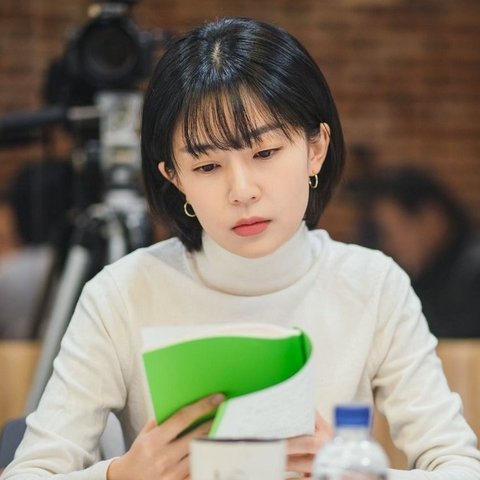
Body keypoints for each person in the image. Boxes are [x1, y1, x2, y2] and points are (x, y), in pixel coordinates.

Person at [2, 17, 479, 480]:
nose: (242, 191)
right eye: (207, 167)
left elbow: (460, 467)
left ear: (316, 148)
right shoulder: (122, 294)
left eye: (265, 153)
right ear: (174, 177)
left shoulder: (373, 286)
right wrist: (120, 476)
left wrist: (357, 473)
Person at [351, 166, 480, 338]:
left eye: (392, 232)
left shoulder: (472, 275)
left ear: (431, 219)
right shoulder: (424, 274)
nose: (388, 245)